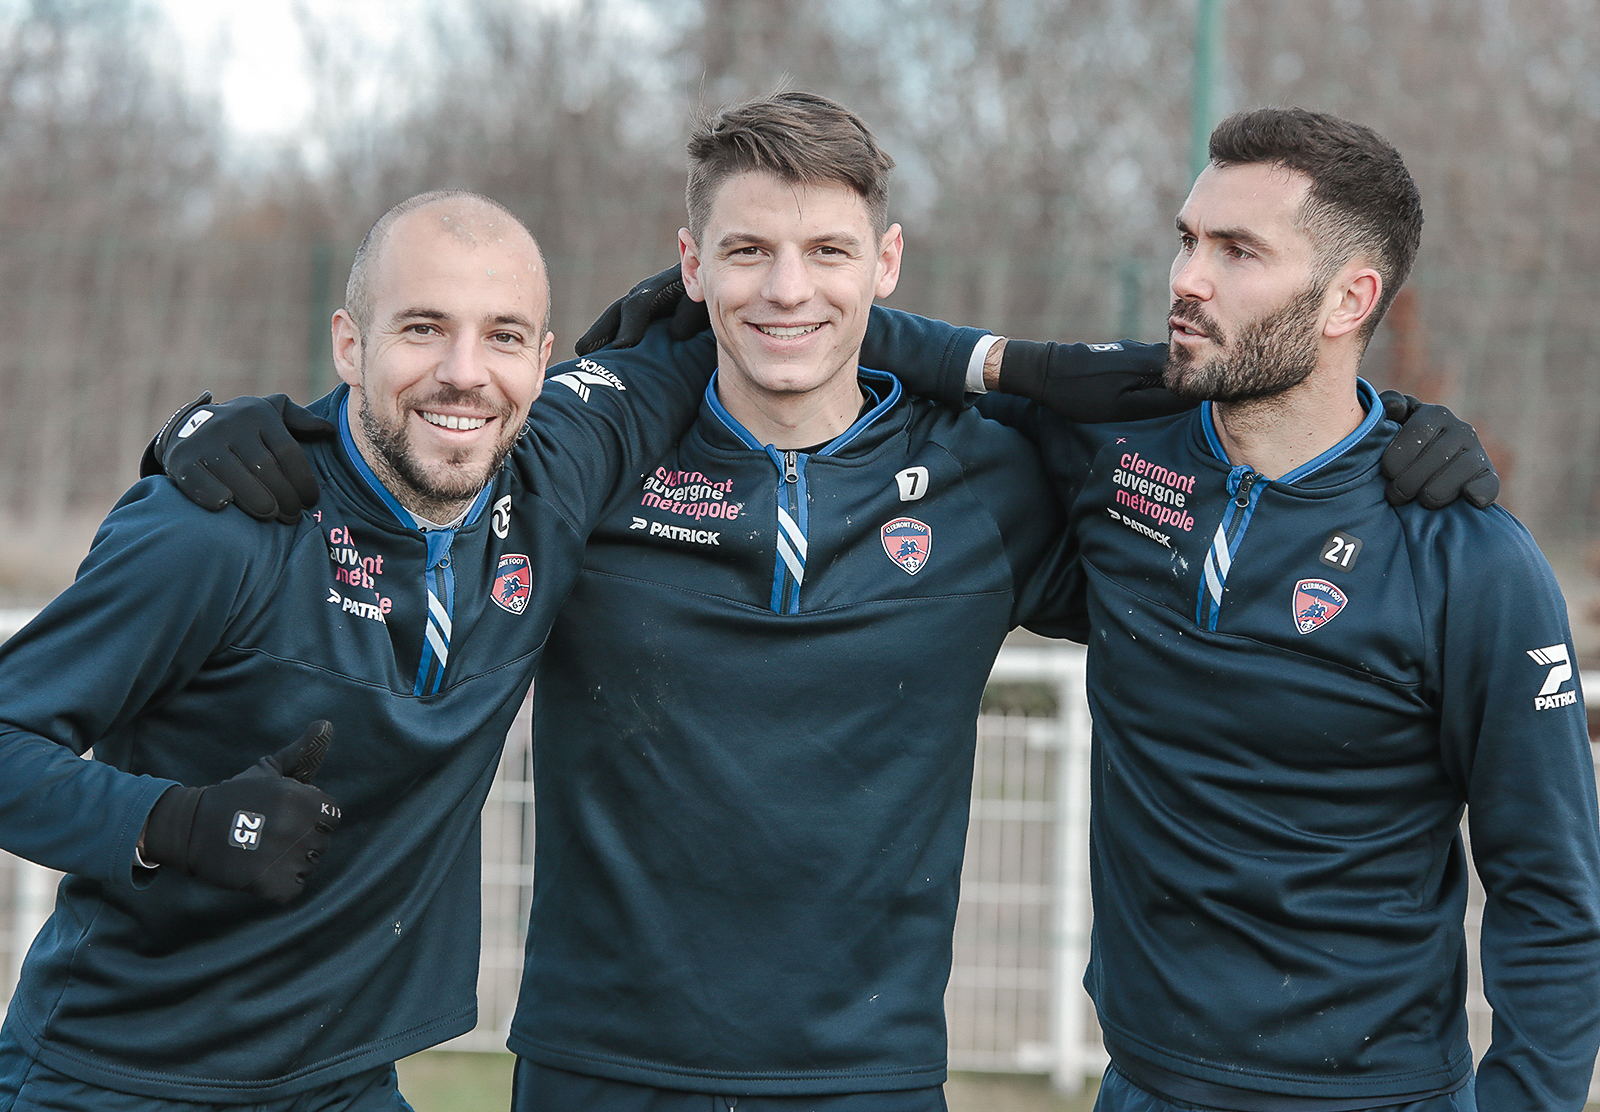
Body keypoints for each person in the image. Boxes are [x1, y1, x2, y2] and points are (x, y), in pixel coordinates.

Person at [171, 95, 1502, 1111]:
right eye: (746, 250)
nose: (787, 288)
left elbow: (1238, 471)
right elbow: (426, 453)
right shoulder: (608, 440)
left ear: (887, 261)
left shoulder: (991, 473)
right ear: (690, 261)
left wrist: (1392, 447)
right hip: (595, 1066)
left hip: (866, 1078)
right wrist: (223, 436)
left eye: (826, 250)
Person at [0, 189, 719, 1111]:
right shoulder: (220, 530)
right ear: (350, 344)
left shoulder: (556, 481)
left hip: (342, 1083)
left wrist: (969, 359)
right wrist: (176, 823)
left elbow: (794, 309)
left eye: (503, 337)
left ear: (545, 363)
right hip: (118, 1075)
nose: (465, 374)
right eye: (423, 328)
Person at [969, 109, 1600, 1110]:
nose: (1186, 277)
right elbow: (867, 380)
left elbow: (1552, 895)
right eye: (1186, 238)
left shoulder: (1469, 562)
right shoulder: (1116, 467)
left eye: (1237, 251)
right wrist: (681, 321)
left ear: (1350, 297)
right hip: (1140, 1087)